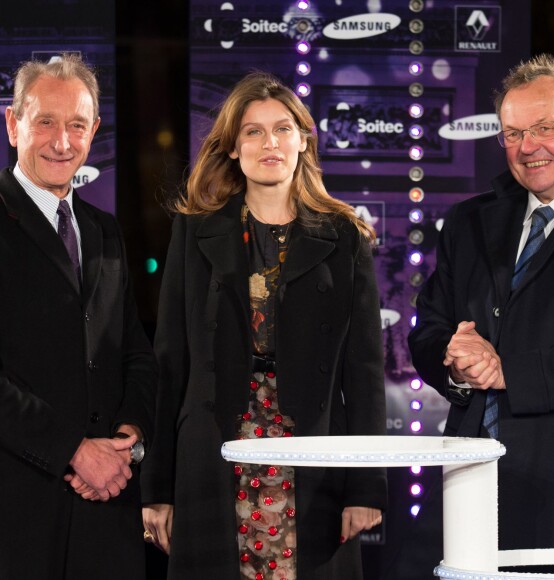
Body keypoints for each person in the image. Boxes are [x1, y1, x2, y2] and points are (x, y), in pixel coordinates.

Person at [140, 71, 388, 579]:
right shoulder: (194, 229)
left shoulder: (344, 236)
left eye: (282, 129)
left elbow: (363, 371)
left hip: (313, 452)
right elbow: (170, 362)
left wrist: (364, 486)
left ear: (303, 140)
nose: (268, 143)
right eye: (252, 131)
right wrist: (157, 490)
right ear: (232, 147)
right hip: (215, 449)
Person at [408, 53, 554, 573]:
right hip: (467, 473)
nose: (528, 147)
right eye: (512, 133)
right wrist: (457, 363)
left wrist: (510, 371)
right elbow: (429, 329)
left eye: (545, 127)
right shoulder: (468, 221)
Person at [0, 53, 157, 579]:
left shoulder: (104, 228)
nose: (61, 142)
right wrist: (72, 450)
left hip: (106, 508)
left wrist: (129, 438)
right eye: (45, 121)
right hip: (18, 510)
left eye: (76, 125)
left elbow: (133, 349)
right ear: (13, 123)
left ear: (93, 132)